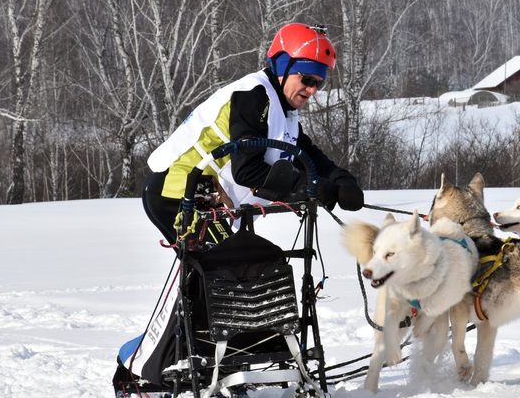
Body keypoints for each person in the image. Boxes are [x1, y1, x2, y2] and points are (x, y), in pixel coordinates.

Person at [142, 22, 364, 242]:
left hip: (203, 194)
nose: (313, 90)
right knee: (243, 267)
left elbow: (305, 154)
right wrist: (306, 185)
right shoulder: (254, 96)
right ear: (283, 67)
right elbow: (247, 170)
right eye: (307, 79)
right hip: (177, 189)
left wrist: (341, 180)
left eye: (319, 83)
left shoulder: (284, 110)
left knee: (240, 267)